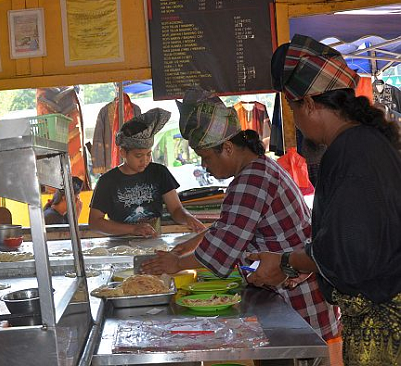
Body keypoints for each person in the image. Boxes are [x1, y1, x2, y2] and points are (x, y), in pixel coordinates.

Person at [247, 35, 401, 365]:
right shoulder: (367, 142)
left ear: (311, 105)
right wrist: (301, 263)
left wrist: (288, 262)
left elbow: (349, 254)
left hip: (384, 322)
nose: (295, 120)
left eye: (293, 109)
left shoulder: (349, 151)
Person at [142, 100, 341, 343]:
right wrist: (193, 242)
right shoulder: (262, 167)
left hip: (298, 303)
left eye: (206, 157)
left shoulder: (251, 179)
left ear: (227, 148)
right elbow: (236, 224)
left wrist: (176, 263)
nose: (205, 166)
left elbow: (224, 247)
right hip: (300, 294)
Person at [88, 108, 206, 238]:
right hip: (120, 247)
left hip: (154, 241)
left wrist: (187, 217)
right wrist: (133, 229)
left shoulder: (159, 172)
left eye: (148, 154)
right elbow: (95, 222)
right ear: (123, 153)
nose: (144, 160)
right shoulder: (107, 181)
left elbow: (176, 209)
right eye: (138, 155)